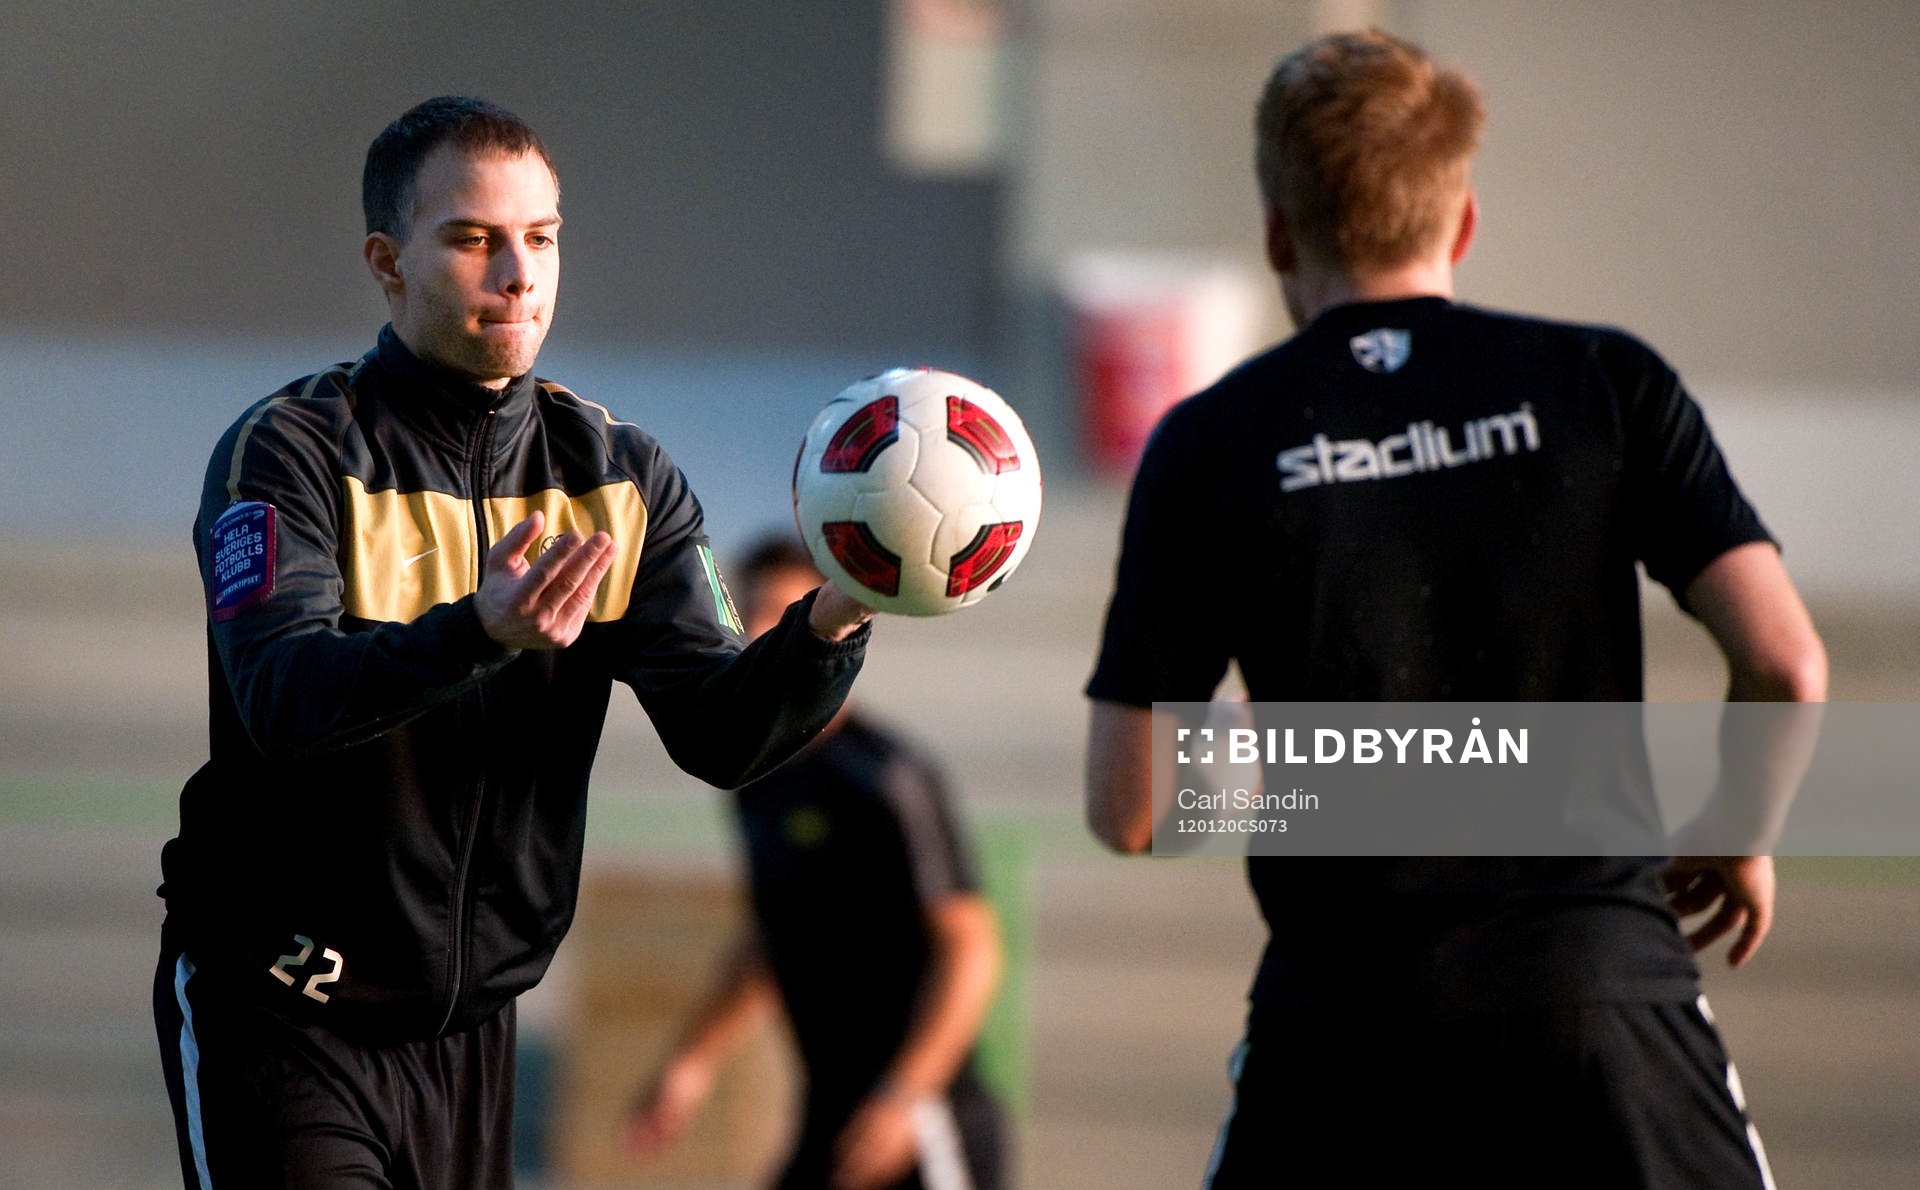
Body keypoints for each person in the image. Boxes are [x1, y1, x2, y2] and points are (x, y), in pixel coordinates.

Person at [1082, 30, 1826, 1188]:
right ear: (1462, 218)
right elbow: (1787, 663)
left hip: (1343, 1029)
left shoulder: (1209, 442)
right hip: (1598, 1000)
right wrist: (1740, 824)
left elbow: (1129, 804)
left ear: (1278, 228)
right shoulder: (1604, 382)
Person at [152, 96, 875, 1189]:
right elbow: (283, 696)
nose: (517, 274)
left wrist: (836, 616)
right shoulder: (287, 450)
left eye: (540, 238)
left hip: (470, 1034)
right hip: (282, 1014)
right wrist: (475, 632)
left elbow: (721, 732)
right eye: (474, 238)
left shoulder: (618, 473)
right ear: (387, 261)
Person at [626, 535, 1006, 1190]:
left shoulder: (887, 777)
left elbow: (971, 949)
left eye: (785, 610)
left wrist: (905, 1097)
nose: (765, 632)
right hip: (828, 1115)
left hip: (923, 1121)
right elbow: (777, 937)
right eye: (751, 614)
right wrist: (692, 1061)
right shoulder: (755, 776)